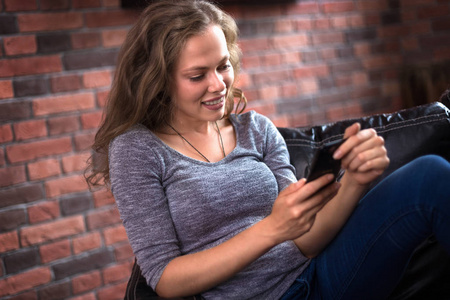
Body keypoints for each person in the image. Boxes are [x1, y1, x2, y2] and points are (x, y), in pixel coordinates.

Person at [86, 1, 450, 299]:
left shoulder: (256, 129)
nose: (218, 85)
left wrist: (354, 181)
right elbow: (165, 278)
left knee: (429, 175)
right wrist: (271, 229)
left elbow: (305, 242)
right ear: (158, 80)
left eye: (223, 66)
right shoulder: (137, 150)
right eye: (197, 75)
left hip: (319, 276)